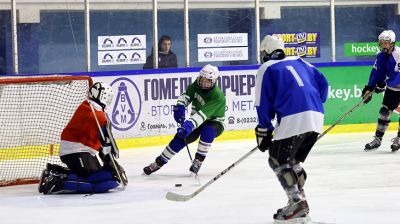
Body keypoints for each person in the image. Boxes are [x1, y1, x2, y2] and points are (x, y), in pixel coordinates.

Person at [254, 35, 328, 221]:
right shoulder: (301, 62)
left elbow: (263, 102)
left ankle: (296, 202)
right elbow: (324, 84)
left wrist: (263, 130)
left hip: (294, 118)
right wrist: (313, 103)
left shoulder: (266, 68)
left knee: (277, 160)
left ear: (266, 52)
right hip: (316, 116)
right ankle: (300, 200)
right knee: (293, 161)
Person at [38, 82, 127, 195]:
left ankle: (57, 172)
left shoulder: (90, 106)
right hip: (74, 152)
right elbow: (106, 141)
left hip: (82, 151)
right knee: (96, 180)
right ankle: (57, 181)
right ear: (100, 96)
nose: (108, 100)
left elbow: (102, 140)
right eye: (107, 97)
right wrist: (112, 164)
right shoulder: (93, 112)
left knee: (103, 177)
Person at [143, 64, 226, 175]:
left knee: (208, 131)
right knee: (181, 137)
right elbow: (185, 96)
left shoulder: (218, 96)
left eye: (208, 81)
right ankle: (158, 162)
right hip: (197, 120)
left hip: (214, 122)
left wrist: (188, 125)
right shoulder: (196, 85)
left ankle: (198, 161)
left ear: (214, 81)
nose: (204, 83)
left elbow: (202, 115)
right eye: (202, 79)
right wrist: (180, 107)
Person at [362, 30, 400, 152]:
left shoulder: (399, 54)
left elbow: (398, 74)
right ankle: (377, 139)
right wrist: (369, 87)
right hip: (393, 88)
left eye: (386, 43)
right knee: (384, 112)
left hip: (395, 84)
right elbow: (377, 72)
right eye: (381, 42)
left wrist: (384, 83)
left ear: (392, 43)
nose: (383, 45)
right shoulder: (380, 55)